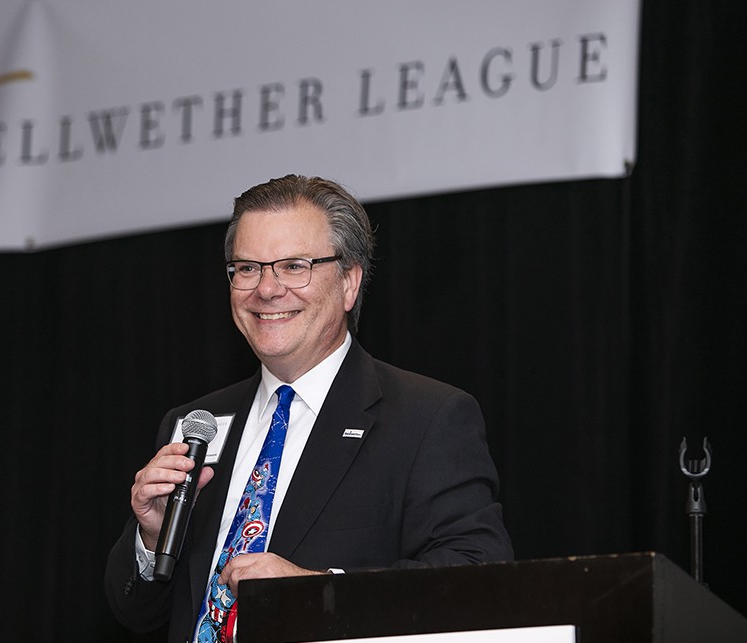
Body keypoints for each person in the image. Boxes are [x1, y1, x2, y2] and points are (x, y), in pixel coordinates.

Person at [105, 175, 513, 642]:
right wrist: (153, 538)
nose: (267, 289)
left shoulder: (428, 418)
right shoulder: (195, 424)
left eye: (294, 266)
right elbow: (135, 613)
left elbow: (476, 580)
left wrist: (318, 594)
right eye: (247, 268)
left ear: (349, 284)